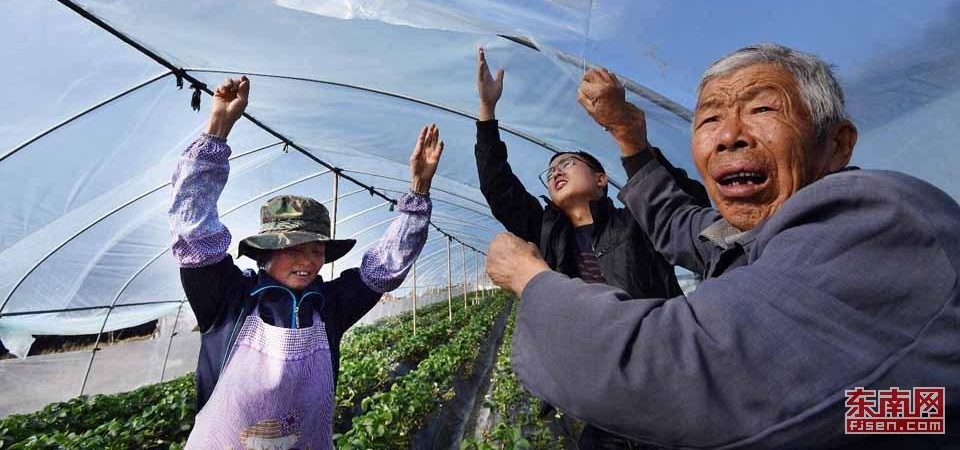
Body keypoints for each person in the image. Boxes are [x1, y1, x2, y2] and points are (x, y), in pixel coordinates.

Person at [486, 44, 960, 449]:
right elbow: (681, 222)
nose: (729, 136)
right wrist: (628, 134)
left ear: (836, 144)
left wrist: (530, 279)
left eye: (761, 109)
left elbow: (670, 364)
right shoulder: (759, 231)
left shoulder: (869, 216)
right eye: (710, 117)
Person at [169, 76, 443, 450]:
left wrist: (418, 193)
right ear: (265, 251)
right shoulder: (228, 299)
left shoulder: (328, 306)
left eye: (316, 250)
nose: (308, 261)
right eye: (293, 248)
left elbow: (387, 267)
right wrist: (217, 130)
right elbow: (193, 228)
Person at [475, 48, 710, 449]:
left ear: (602, 179)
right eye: (550, 172)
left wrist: (631, 135)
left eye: (566, 163)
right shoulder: (546, 230)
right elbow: (499, 187)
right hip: (600, 397)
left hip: (663, 381)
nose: (556, 171)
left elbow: (686, 203)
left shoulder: (636, 220)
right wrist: (487, 109)